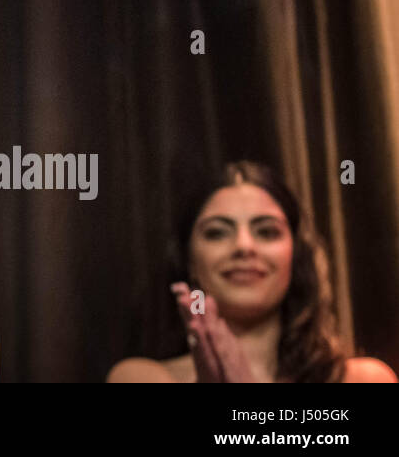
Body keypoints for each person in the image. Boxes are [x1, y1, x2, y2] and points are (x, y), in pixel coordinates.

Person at [106, 160, 396, 383]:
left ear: (295, 257)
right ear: (190, 263)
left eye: (267, 232)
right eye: (217, 233)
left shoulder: (362, 379)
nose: (244, 246)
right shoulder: (142, 377)